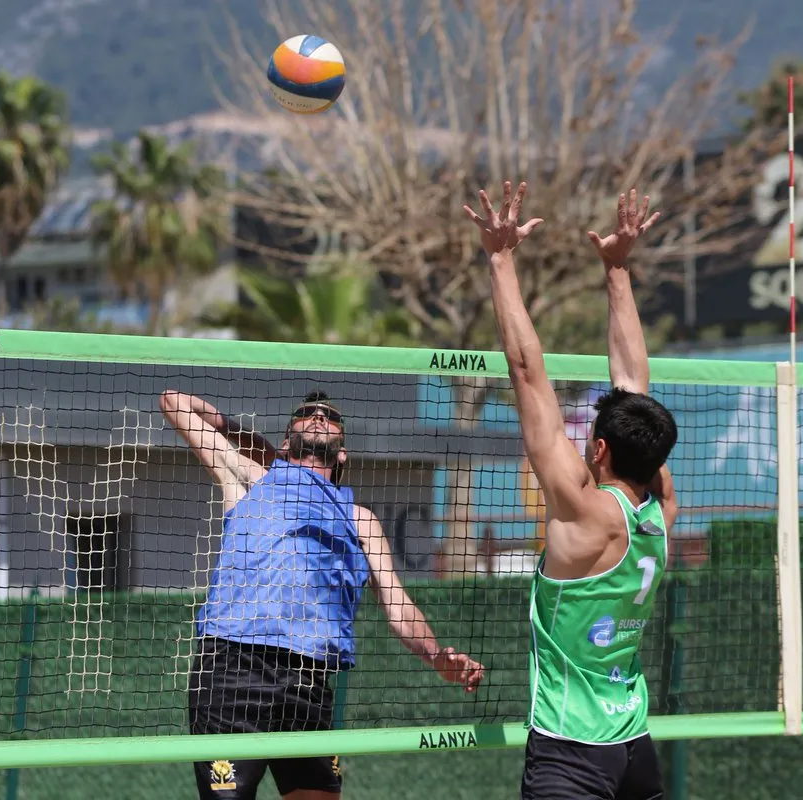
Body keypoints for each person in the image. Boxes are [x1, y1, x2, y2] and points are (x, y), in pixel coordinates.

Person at [159, 389, 485, 800]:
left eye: (329, 418)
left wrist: (437, 655)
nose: (317, 418)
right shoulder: (248, 478)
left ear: (343, 453)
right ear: (285, 439)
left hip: (309, 677)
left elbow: (399, 605)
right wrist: (254, 445)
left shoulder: (359, 520)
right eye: (305, 415)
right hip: (235, 668)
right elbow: (175, 402)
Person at [462, 183, 678, 800]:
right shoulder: (661, 507)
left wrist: (501, 261)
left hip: (571, 751)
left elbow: (527, 373)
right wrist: (617, 270)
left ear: (601, 449)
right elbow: (633, 383)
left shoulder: (585, 513)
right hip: (632, 741)